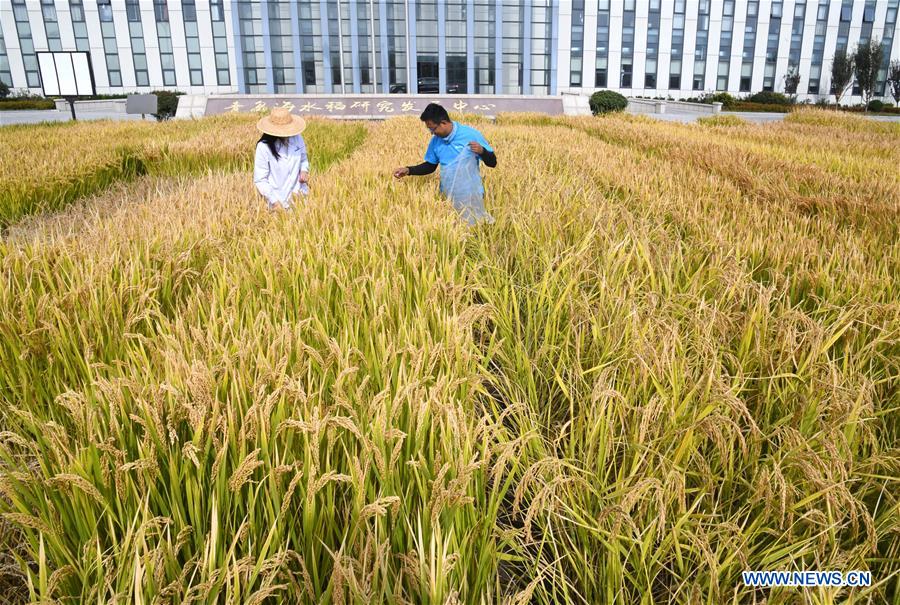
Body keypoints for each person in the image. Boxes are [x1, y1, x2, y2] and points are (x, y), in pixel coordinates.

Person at [393, 103, 497, 225]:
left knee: (474, 227)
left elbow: (492, 162)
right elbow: (430, 166)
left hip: (471, 195)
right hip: (448, 197)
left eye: (433, 128)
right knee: (452, 231)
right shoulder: (436, 142)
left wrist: (482, 151)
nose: (432, 132)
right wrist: (408, 170)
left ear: (443, 122)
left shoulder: (471, 135)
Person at [254, 107, 310, 211]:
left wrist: (304, 170)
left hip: (299, 198)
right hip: (277, 201)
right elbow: (260, 179)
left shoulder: (297, 138)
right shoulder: (263, 147)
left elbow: (303, 159)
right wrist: (274, 201)